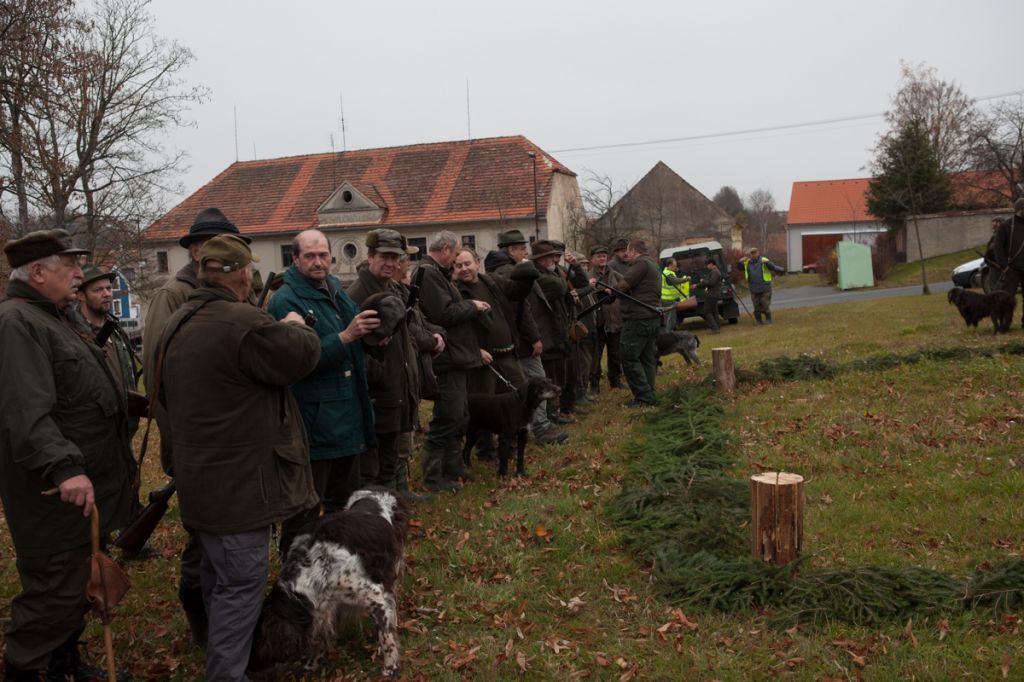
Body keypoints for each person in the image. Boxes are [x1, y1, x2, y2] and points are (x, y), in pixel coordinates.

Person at [158, 234, 320, 682]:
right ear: (244, 274)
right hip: (240, 487)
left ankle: (229, 663)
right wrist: (296, 326)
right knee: (240, 586)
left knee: (217, 578)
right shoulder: (243, 321)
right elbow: (301, 356)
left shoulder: (179, 319)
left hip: (199, 478)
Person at [0, 230, 136, 681]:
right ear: (38, 272)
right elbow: (25, 411)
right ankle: (24, 669)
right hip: (52, 493)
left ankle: (64, 664)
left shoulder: (57, 318)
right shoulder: (17, 323)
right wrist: (64, 467)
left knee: (78, 583)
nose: (80, 273)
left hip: (81, 492)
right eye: (70, 265)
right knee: (54, 591)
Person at [140, 207, 251, 646]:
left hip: (229, 439)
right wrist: (179, 444)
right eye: (209, 244)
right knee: (203, 535)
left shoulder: (233, 289)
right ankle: (199, 613)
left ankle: (220, 617)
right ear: (194, 250)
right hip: (195, 441)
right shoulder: (174, 294)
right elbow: (158, 376)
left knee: (222, 534)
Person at [267, 229, 378, 552]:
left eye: (323, 255)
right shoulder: (286, 300)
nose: (318, 262)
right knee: (305, 508)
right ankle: (293, 568)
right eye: (310, 256)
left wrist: (374, 337)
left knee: (342, 505)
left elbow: (355, 342)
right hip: (313, 420)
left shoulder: (335, 289)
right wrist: (345, 337)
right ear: (295, 259)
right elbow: (295, 361)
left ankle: (336, 563)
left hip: (347, 413)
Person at [347, 229, 442, 495]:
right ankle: (379, 515)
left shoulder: (391, 288)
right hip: (378, 397)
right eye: (384, 257)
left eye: (395, 257)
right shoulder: (358, 296)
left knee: (390, 460)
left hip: (397, 391)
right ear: (370, 256)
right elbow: (357, 353)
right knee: (374, 468)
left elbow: (403, 337)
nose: (391, 263)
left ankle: (395, 507)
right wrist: (382, 375)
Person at [416, 231, 488, 491]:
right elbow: (444, 314)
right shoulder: (428, 274)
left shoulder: (438, 274)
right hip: (446, 359)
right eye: (456, 254)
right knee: (447, 417)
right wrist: (472, 306)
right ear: (445, 249)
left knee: (459, 416)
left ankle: (454, 468)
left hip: (454, 357)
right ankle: (433, 476)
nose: (457, 260)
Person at [484, 229, 567, 445]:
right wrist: (533, 338)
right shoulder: (510, 272)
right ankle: (540, 428)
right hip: (521, 340)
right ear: (511, 250)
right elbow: (521, 309)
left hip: (516, 338)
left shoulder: (503, 270)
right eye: (522, 248)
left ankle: (532, 427)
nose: (525, 253)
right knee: (536, 384)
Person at [74, 265, 139, 435]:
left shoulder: (116, 331)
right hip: (94, 431)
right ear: (81, 295)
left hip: (124, 428)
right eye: (98, 290)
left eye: (109, 288)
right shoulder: (74, 335)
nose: (107, 294)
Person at [619, 238, 663, 407]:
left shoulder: (641, 264)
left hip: (638, 318)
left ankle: (643, 397)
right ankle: (649, 392)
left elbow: (623, 285)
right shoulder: (652, 264)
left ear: (634, 251)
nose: (626, 255)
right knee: (646, 358)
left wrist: (610, 290)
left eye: (628, 252)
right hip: (652, 317)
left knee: (628, 357)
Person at [587, 244, 627, 391]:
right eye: (599, 256)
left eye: (604, 256)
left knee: (615, 354)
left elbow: (626, 286)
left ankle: (615, 381)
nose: (602, 258)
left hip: (615, 321)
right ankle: (594, 385)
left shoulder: (614, 274)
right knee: (595, 356)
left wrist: (615, 290)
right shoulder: (588, 277)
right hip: (598, 323)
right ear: (592, 259)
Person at [992, 198, 1024, 326]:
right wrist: (1005, 267)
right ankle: (1004, 323)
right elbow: (998, 248)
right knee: (1006, 298)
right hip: (1012, 269)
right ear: (1019, 209)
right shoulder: (1006, 226)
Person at [741, 246, 785, 324]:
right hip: (753, 288)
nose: (754, 255)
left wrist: (768, 263)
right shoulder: (747, 263)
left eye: (755, 253)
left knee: (765, 305)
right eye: (752, 253)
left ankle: (768, 319)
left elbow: (772, 267)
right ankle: (758, 321)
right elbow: (740, 267)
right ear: (750, 255)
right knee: (756, 307)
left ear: (758, 253)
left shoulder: (764, 260)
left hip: (765, 287)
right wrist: (739, 262)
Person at [660, 256, 690, 331]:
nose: (676, 268)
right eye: (674, 266)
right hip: (668, 299)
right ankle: (668, 333)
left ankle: (669, 332)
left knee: (669, 318)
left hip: (667, 299)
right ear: (670, 265)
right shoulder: (668, 274)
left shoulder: (667, 272)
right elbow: (676, 281)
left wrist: (677, 270)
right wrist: (686, 279)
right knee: (670, 319)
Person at [700, 257, 724, 333]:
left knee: (706, 311)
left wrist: (703, 281)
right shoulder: (714, 271)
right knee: (714, 311)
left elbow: (711, 283)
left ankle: (715, 328)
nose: (707, 266)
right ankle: (717, 327)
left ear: (711, 264)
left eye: (707, 265)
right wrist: (698, 285)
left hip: (712, 294)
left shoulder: (715, 272)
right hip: (714, 294)